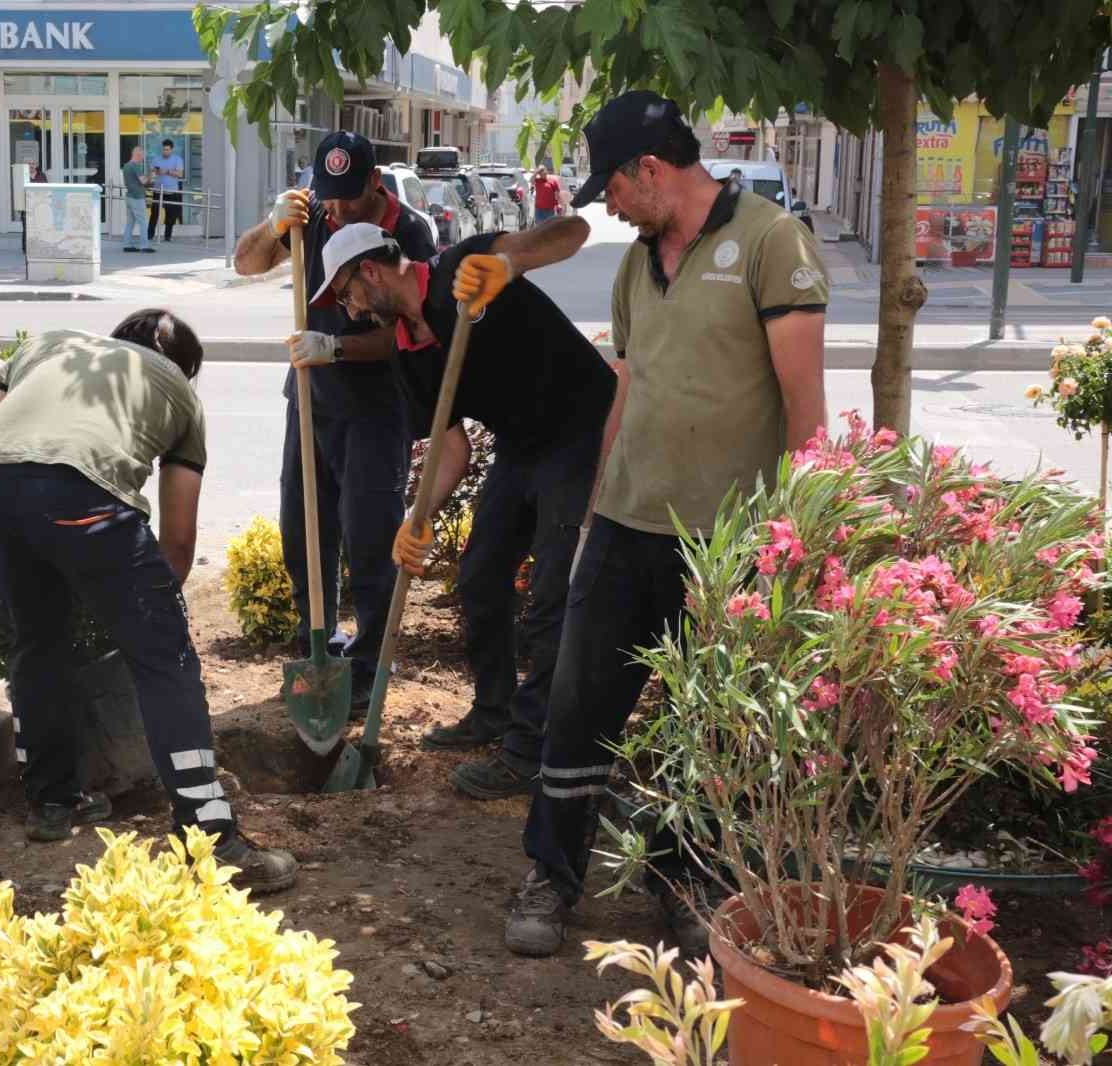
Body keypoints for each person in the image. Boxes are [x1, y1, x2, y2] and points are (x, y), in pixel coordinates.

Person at [503, 90, 829, 959]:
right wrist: (589, 514)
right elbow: (628, 391)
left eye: (609, 186)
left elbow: (807, 414)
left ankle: (687, 884)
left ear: (649, 170)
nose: (605, 206)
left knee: (705, 724)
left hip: (726, 545)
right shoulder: (634, 263)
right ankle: (553, 876)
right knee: (577, 707)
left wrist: (801, 543)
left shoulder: (770, 242)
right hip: (622, 526)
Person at [0, 311, 298, 894]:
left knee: (38, 640)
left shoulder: (49, 343)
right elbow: (178, 543)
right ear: (186, 368)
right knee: (167, 665)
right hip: (85, 495)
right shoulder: (180, 393)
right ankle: (211, 844)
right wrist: (151, 620)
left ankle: (54, 803)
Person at [295, 216, 616, 807]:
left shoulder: (461, 268)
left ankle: (529, 751)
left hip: (581, 433)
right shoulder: (407, 354)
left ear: (369, 269)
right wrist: (415, 521)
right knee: (480, 579)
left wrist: (509, 264)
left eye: (347, 293)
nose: (350, 310)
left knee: (549, 599)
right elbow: (450, 448)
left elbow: (572, 231)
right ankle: (493, 711)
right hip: (520, 449)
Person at [233, 131, 437, 715]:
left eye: (351, 197)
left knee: (369, 535)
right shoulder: (312, 213)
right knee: (304, 529)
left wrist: (339, 347)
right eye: (331, 197)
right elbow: (246, 263)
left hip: (376, 405)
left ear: (376, 181)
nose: (339, 209)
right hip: (310, 399)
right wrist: (274, 228)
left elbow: (411, 332)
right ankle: (316, 646)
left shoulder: (410, 232)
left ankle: (370, 664)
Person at [148, 139, 184, 243]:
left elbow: (180, 174)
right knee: (154, 214)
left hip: (171, 191)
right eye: (164, 149)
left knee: (170, 215)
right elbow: (152, 172)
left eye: (167, 150)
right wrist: (155, 172)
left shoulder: (177, 159)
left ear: (172, 150)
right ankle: (149, 236)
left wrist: (167, 171)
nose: (165, 152)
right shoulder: (156, 159)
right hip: (158, 190)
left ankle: (167, 237)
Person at [121, 146, 154, 254]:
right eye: (142, 156)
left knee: (130, 222)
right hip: (137, 197)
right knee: (143, 222)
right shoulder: (135, 166)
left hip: (129, 196)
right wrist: (151, 175)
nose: (143, 158)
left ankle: (127, 244)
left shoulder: (126, 166)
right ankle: (144, 246)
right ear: (138, 154)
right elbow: (144, 181)